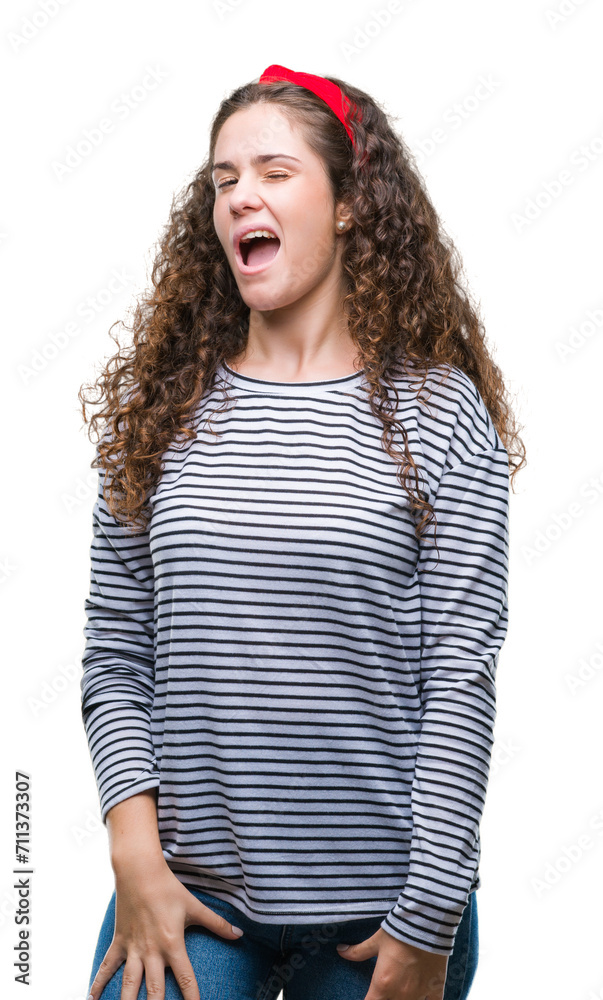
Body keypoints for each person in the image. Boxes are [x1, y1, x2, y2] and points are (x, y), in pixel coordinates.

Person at [78, 64, 525, 1000]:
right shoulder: (167, 412)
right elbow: (116, 652)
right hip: (190, 897)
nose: (241, 194)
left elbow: (459, 675)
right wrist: (134, 858)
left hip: (385, 921)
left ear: (353, 203)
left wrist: (428, 921)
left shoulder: (440, 416)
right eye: (223, 179)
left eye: (274, 172)